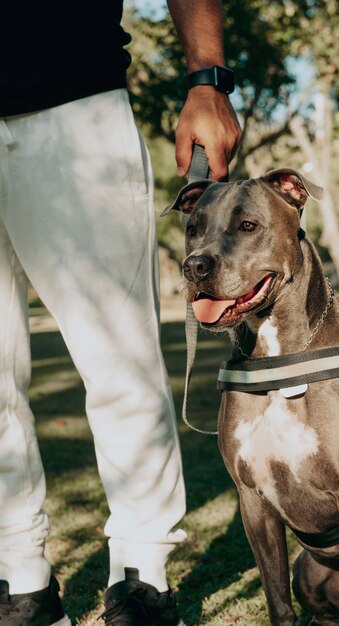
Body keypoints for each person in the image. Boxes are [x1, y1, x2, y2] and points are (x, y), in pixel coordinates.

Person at [0, 1, 241, 624]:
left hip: (74, 108)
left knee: (119, 362)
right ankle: (20, 579)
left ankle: (142, 575)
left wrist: (206, 79)